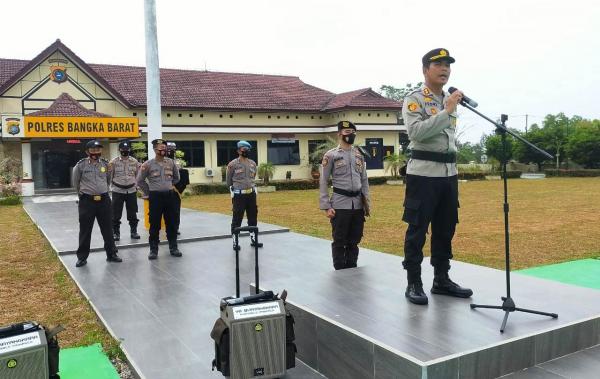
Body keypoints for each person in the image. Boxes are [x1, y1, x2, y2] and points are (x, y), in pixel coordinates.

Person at [401, 48, 473, 305]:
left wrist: (448, 108)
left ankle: (441, 279)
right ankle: (414, 282)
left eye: (447, 65)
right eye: (438, 64)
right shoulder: (415, 99)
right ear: (425, 70)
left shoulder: (448, 99)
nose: (445, 69)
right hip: (423, 175)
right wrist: (446, 112)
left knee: (446, 227)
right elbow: (416, 133)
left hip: (448, 174)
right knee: (418, 228)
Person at [319, 121, 370, 270]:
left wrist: (367, 204)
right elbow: (323, 181)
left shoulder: (359, 155)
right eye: (347, 131)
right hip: (340, 204)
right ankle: (340, 271)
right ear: (339, 134)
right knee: (340, 240)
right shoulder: (331, 155)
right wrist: (326, 206)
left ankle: (352, 268)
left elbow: (364, 180)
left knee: (355, 240)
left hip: (358, 204)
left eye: (353, 132)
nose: (351, 134)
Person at [72, 140, 122, 267]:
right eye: (93, 150)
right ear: (87, 152)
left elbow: (108, 180)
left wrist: (102, 190)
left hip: (104, 201)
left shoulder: (106, 164)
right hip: (87, 201)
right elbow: (76, 183)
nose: (96, 152)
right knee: (85, 230)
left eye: (98, 150)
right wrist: (83, 194)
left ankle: (112, 254)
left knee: (108, 229)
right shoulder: (80, 165)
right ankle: (82, 257)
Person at [136, 139, 182, 259]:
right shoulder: (147, 165)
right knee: (155, 224)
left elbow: (177, 178)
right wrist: (149, 192)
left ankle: (173, 247)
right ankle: (153, 250)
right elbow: (139, 181)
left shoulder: (171, 163)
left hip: (170, 196)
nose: (163, 150)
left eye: (165, 147)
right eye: (161, 147)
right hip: (155, 197)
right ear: (155, 149)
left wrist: (168, 186)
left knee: (171, 223)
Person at [226, 140, 262, 249]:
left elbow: (253, 177)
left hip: (251, 194)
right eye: (244, 150)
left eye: (247, 150)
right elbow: (228, 181)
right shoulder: (233, 164)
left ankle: (253, 239)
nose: (246, 151)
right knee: (237, 218)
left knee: (253, 217)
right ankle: (235, 241)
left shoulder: (253, 163)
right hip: (239, 195)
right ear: (238, 151)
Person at [109, 140, 141, 241]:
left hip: (131, 190)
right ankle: (116, 233)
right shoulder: (113, 162)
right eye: (123, 149)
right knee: (115, 213)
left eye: (127, 149)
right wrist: (108, 188)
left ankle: (134, 231)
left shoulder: (134, 161)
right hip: (117, 190)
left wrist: (137, 186)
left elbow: (138, 176)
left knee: (132, 213)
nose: (125, 151)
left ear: (129, 150)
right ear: (119, 150)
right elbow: (110, 176)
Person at [166, 142, 190, 235]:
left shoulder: (178, 162)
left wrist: (179, 189)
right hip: (164, 190)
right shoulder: (161, 161)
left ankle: (175, 228)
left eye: (172, 150)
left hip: (175, 191)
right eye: (169, 149)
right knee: (165, 212)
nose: (171, 151)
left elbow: (181, 176)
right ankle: (167, 228)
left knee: (175, 211)